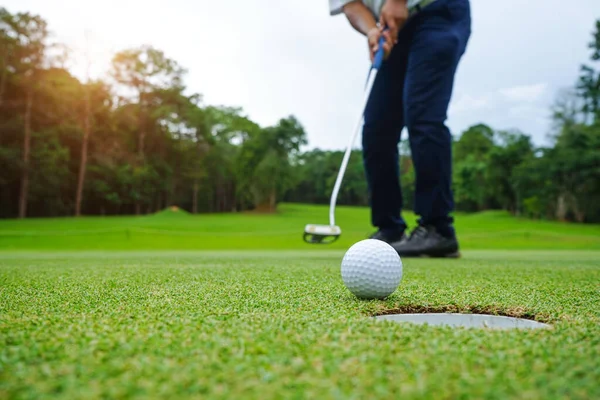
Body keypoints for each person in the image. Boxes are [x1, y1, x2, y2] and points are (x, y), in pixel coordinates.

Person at [329, 0, 471, 258]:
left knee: (423, 115)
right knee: (376, 126)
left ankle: (437, 228)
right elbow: (350, 5)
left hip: (437, 12)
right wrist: (372, 30)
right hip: (389, 30)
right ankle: (389, 229)